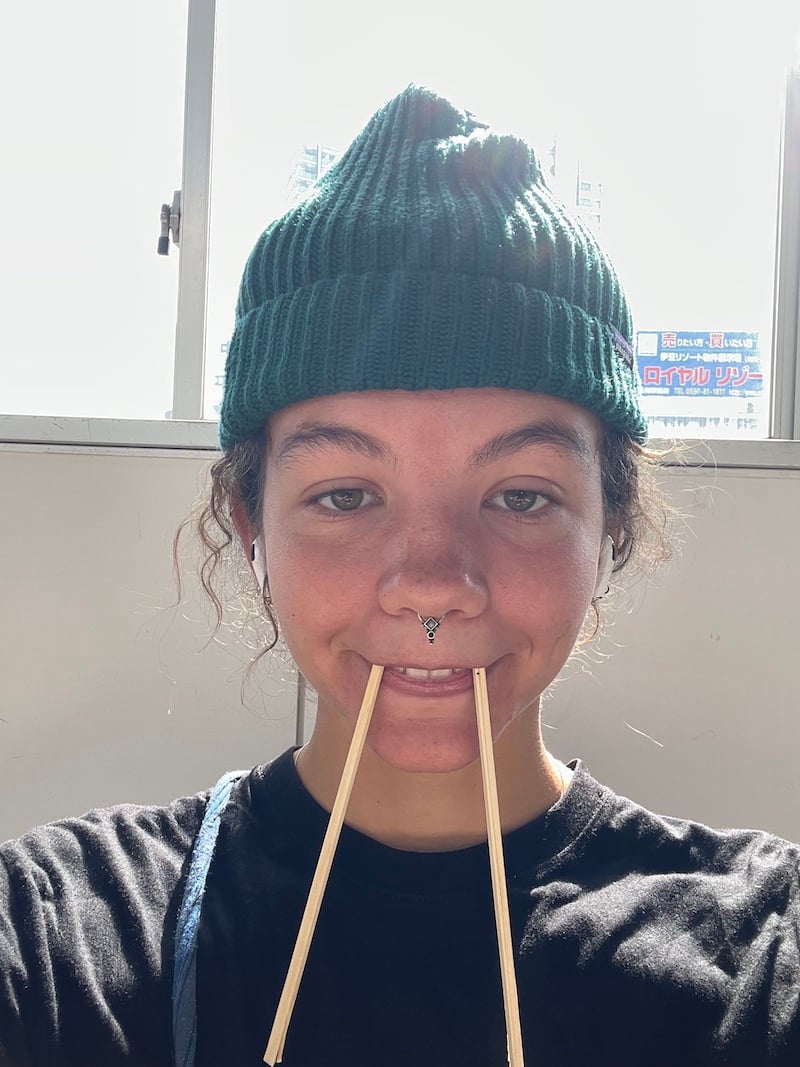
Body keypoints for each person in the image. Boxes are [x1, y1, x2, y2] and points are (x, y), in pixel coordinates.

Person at [1, 84, 799, 1067]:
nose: (430, 587)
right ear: (251, 525)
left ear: (611, 530)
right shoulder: (55, 934)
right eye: (344, 494)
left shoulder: (759, 956)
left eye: (518, 495)